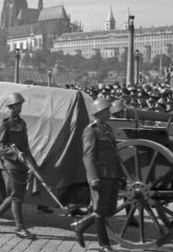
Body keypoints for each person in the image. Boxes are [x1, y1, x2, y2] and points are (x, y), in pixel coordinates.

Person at [71, 98, 123, 252]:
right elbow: (88, 156)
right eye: (106, 110)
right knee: (100, 209)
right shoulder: (91, 130)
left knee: (110, 209)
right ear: (99, 112)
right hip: (100, 175)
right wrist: (93, 177)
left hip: (112, 174)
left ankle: (80, 225)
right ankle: (103, 244)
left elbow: (115, 153)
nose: (109, 112)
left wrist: (121, 176)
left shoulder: (107, 129)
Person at [0, 92, 36, 240]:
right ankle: (20, 228)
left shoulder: (22, 123)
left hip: (21, 163)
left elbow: (25, 146)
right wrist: (15, 155)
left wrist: (31, 163)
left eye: (21, 104)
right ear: (11, 106)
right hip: (9, 164)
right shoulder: (5, 123)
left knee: (16, 195)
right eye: (18, 104)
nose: (20, 106)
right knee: (17, 197)